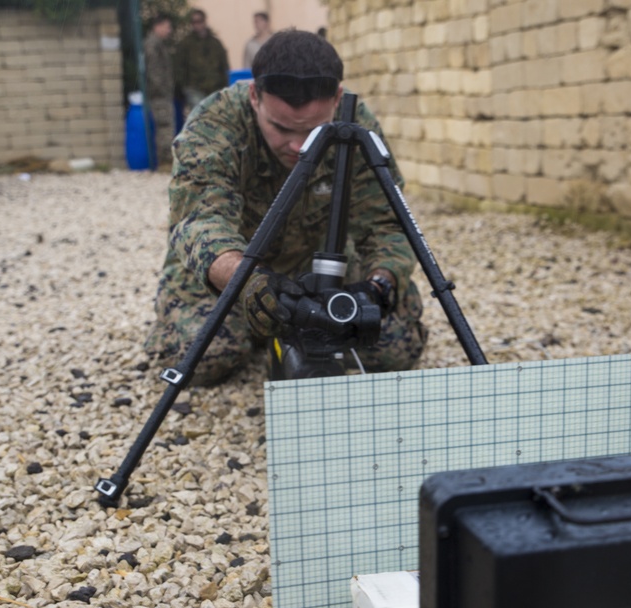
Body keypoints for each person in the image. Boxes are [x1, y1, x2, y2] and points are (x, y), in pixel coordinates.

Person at [145, 29, 427, 386]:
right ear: (254, 96)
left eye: (313, 130)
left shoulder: (354, 124)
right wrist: (248, 282)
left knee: (393, 349)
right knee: (206, 359)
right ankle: (268, 330)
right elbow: (199, 221)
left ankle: (286, 332)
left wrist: (378, 285)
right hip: (231, 271)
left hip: (320, 267)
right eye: (280, 128)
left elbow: (387, 222)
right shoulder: (215, 124)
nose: (296, 146)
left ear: (337, 100)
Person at [174, 9, 229, 111]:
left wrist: (224, 87)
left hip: (215, 89)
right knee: (199, 117)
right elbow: (179, 67)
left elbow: (224, 66)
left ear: (204, 22)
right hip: (194, 89)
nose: (197, 25)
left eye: (199, 21)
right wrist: (184, 88)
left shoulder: (215, 43)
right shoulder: (186, 44)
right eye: (194, 22)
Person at [143, 15, 175, 170]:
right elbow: (154, 72)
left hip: (161, 94)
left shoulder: (157, 44)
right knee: (165, 127)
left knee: (166, 126)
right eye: (167, 27)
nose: (169, 31)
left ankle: (166, 160)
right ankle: (165, 162)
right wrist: (163, 90)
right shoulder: (152, 45)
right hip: (159, 95)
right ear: (158, 26)